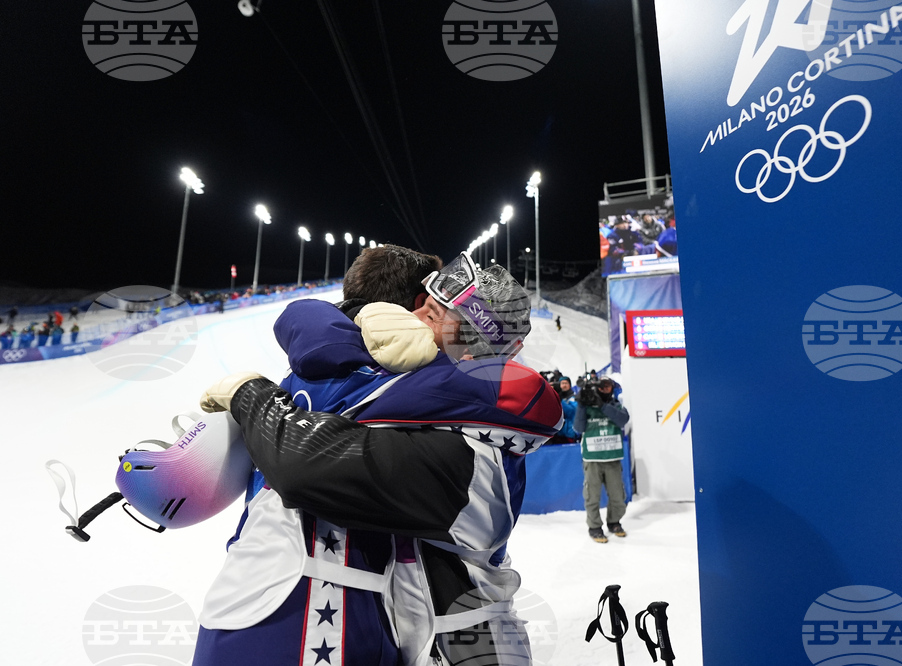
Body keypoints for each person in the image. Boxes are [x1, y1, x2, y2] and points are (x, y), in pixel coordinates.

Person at [194, 247, 561, 666]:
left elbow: (305, 461)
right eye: (425, 303)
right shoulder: (434, 409)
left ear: (477, 352)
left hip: (472, 650)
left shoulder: (473, 452)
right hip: (397, 635)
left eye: (439, 315)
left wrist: (252, 393)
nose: (421, 316)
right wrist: (352, 320)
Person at [574, 376, 631, 543]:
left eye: (608, 386)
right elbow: (578, 428)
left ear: (612, 388)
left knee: (618, 496)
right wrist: (581, 405)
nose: (605, 389)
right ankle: (594, 527)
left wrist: (602, 406)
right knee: (592, 496)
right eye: (602, 387)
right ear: (597, 388)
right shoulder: (587, 406)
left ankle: (614, 522)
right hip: (592, 459)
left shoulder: (616, 405)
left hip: (612, 458)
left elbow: (622, 420)